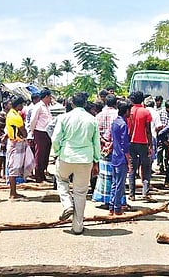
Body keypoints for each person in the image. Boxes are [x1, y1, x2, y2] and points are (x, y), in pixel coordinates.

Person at [52, 92, 100, 235]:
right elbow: (96, 143)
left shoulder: (63, 118)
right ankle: (78, 227)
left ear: (71, 103)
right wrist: (96, 160)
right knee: (80, 192)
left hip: (66, 156)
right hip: (85, 159)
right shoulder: (92, 120)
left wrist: (57, 153)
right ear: (85, 103)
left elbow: (55, 138)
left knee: (61, 180)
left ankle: (67, 204)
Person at [6, 96, 34, 200]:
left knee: (14, 167)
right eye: (21, 104)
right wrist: (25, 134)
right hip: (16, 143)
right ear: (18, 105)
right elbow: (24, 132)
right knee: (14, 168)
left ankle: (14, 192)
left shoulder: (11, 113)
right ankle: (13, 193)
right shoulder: (16, 117)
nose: (22, 106)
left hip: (13, 141)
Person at [127, 91, 154, 202]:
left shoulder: (129, 111)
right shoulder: (146, 112)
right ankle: (145, 192)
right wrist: (150, 144)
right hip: (143, 142)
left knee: (132, 168)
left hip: (131, 143)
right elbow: (148, 130)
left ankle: (132, 194)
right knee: (146, 168)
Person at [93, 94, 118, 205]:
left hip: (102, 148)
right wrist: (111, 143)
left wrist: (104, 142)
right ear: (115, 103)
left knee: (104, 174)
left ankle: (105, 199)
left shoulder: (98, 116)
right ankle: (115, 200)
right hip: (115, 148)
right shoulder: (117, 115)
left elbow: (96, 133)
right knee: (115, 175)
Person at [109, 100, 132, 215]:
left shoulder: (115, 122)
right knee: (120, 184)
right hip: (121, 158)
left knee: (114, 183)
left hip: (114, 157)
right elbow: (125, 145)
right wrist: (129, 161)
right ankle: (117, 208)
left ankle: (112, 206)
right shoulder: (123, 125)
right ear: (126, 111)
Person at [30, 89, 53, 182]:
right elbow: (33, 121)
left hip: (47, 133)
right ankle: (38, 175)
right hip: (39, 132)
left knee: (46, 154)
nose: (51, 99)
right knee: (40, 154)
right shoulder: (38, 106)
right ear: (46, 97)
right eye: (50, 97)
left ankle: (43, 172)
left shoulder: (47, 107)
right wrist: (31, 133)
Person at [0, 100, 12, 183]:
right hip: (1, 138)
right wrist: (0, 139)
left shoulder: (9, 114)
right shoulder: (1, 114)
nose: (11, 105)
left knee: (5, 157)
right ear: (5, 105)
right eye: (9, 104)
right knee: (0, 157)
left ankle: (4, 174)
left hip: (6, 137)